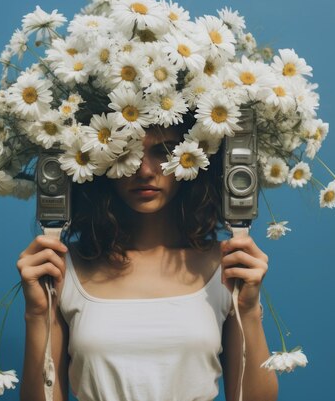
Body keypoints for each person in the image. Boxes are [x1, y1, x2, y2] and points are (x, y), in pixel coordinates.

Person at [16, 119, 279, 401]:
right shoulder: (61, 268)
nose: (144, 171)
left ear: (192, 157)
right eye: (126, 152)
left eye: (162, 152)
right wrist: (37, 314)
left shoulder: (227, 266)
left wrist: (249, 310)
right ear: (100, 158)